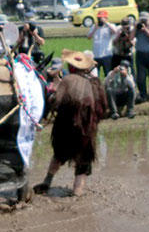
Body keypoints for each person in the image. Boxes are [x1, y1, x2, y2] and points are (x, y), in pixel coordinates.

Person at [33, 49, 107, 197]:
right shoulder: (95, 83)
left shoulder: (68, 80)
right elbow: (103, 109)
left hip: (66, 127)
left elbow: (55, 102)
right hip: (87, 130)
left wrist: (54, 85)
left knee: (59, 154)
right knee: (83, 161)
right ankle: (77, 192)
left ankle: (47, 182)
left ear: (72, 68)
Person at [87, 10, 117, 77]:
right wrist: (95, 28)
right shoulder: (94, 26)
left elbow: (116, 32)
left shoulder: (110, 26)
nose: (100, 20)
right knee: (94, 75)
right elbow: (89, 37)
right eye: (99, 18)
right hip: (96, 55)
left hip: (107, 54)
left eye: (101, 18)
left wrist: (106, 23)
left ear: (106, 18)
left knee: (108, 74)